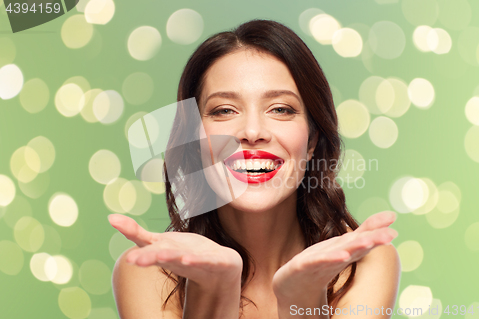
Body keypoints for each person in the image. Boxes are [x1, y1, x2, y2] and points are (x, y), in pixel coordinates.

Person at [108, 19, 401, 319]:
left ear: (312, 139)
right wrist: (212, 291)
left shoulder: (363, 265)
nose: (251, 131)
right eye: (224, 110)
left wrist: (302, 299)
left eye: (280, 109)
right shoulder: (147, 272)